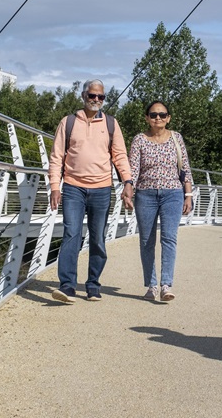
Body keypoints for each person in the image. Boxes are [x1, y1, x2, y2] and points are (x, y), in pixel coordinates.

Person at [48, 80, 134, 303]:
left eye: (100, 97)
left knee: (97, 238)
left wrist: (127, 182)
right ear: (83, 95)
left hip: (102, 189)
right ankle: (67, 286)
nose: (96, 100)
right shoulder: (67, 122)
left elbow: (120, 156)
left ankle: (93, 284)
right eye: (92, 95)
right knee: (71, 235)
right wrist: (55, 187)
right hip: (73, 187)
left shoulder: (111, 124)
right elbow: (57, 157)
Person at [128, 101, 193, 302]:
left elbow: (185, 169)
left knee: (169, 239)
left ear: (168, 118)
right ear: (147, 117)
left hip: (173, 193)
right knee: (147, 241)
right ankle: (151, 285)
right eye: (154, 115)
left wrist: (188, 195)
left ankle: (166, 285)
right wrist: (128, 191)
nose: (158, 118)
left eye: (162, 115)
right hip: (145, 195)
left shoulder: (176, 138)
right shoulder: (139, 139)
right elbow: (133, 169)